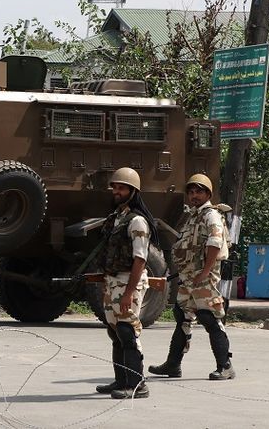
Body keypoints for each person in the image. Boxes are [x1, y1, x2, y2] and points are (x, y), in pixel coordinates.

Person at [148, 174, 235, 381]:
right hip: (189, 278)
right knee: (181, 317)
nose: (194, 195)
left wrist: (204, 273)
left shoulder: (211, 215)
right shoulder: (193, 216)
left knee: (210, 318)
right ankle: (173, 365)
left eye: (199, 191)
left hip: (203, 278)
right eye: (192, 192)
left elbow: (214, 244)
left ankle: (225, 366)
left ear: (208, 194)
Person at [95, 167, 159, 399]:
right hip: (113, 281)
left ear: (133, 191)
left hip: (128, 282)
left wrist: (129, 292)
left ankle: (137, 384)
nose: (117, 191)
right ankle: (121, 380)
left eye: (122, 188)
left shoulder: (138, 222)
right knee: (115, 332)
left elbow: (140, 259)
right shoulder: (116, 218)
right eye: (115, 187)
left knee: (127, 330)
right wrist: (106, 284)